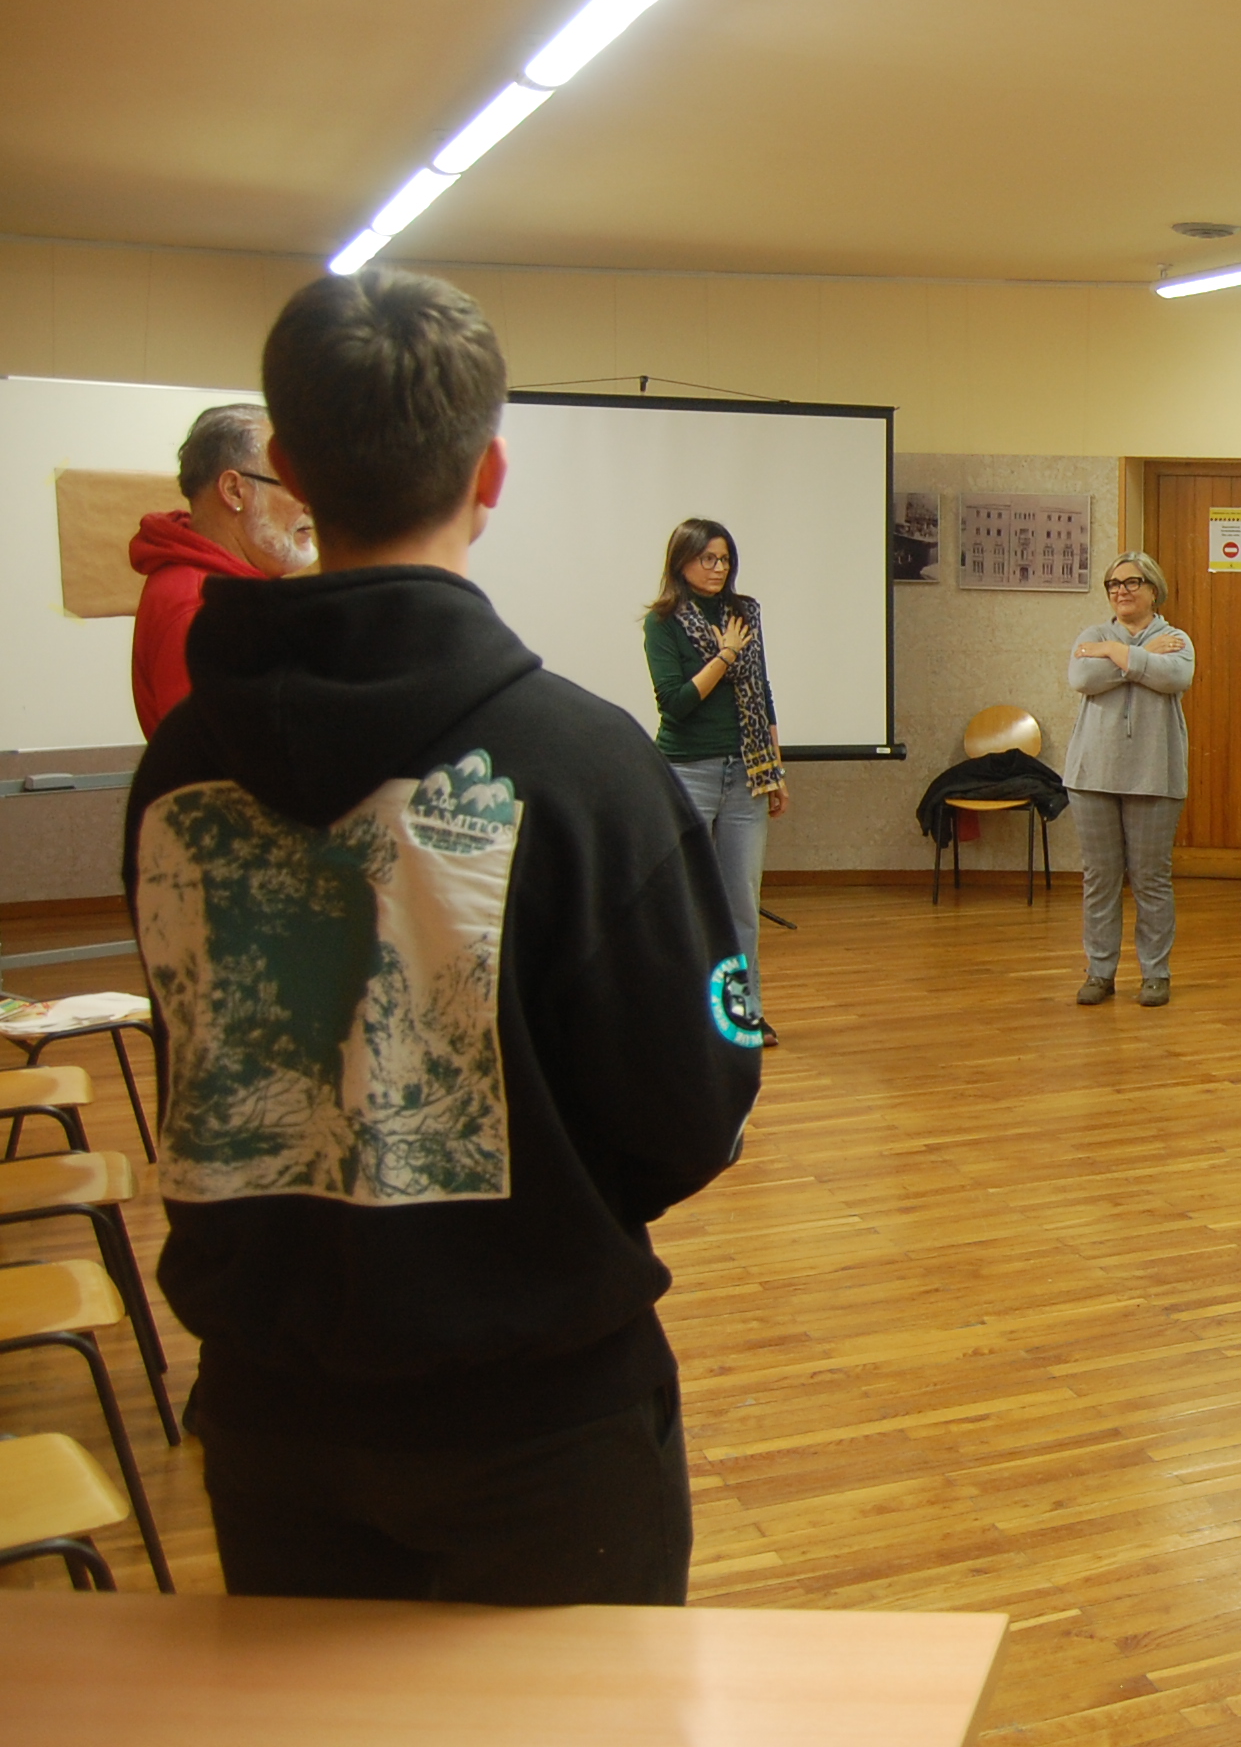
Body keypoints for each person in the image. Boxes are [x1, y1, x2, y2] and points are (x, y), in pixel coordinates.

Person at [122, 268, 760, 1605]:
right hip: (540, 1425)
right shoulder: (587, 765)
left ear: (291, 468)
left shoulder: (180, 764)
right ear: (490, 472)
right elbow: (693, 1107)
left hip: (271, 1420)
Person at [645, 519, 788, 1045]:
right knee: (684, 901)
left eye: (725, 559)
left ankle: (743, 1014)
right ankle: (680, 1016)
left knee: (740, 903)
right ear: (681, 561)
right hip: (688, 772)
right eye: (707, 558)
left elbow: (761, 692)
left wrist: (775, 769)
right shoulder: (662, 622)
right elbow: (676, 704)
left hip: (747, 772)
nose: (718, 568)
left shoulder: (744, 613)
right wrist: (725, 654)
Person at [128, 402, 316, 736]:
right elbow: (215, 757)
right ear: (233, 491)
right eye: (294, 483)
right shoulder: (201, 608)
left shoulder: (228, 591)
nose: (310, 503)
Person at [1067, 551, 1194, 1007]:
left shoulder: (1176, 639)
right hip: (1092, 775)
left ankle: (1155, 974)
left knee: (1150, 879)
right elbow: (1082, 677)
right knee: (1100, 878)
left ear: (1153, 590)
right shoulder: (1092, 635)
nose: (1121, 591)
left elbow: (1173, 677)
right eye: (1113, 584)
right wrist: (1138, 657)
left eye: (1131, 582)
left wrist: (1115, 656)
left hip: (1154, 775)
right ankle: (1100, 973)